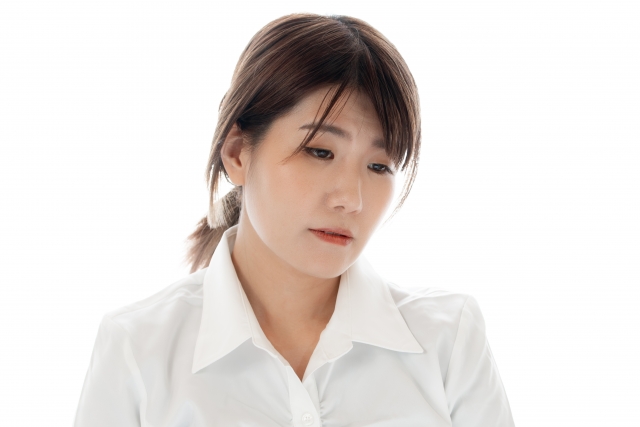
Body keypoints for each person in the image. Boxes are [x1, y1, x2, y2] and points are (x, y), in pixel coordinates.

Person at [74, 13, 515, 427]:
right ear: (237, 153)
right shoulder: (137, 349)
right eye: (320, 152)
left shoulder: (448, 341)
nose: (351, 199)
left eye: (378, 166)